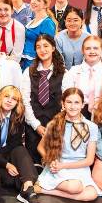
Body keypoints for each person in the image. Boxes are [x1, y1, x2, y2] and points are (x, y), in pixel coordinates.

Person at [35, 88, 102, 201]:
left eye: (77, 102)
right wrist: (51, 162)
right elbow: (40, 147)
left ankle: (43, 189)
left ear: (82, 105)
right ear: (63, 104)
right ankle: (48, 181)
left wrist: (63, 166)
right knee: (75, 187)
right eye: (69, 102)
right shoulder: (54, 124)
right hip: (58, 167)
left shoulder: (92, 127)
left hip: (80, 167)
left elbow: (89, 160)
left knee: (92, 194)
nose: (72, 106)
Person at [0, 86, 42, 203]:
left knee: (20, 149)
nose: (9, 100)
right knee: (12, 180)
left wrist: (10, 161)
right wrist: (6, 164)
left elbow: (15, 144)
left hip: (8, 153)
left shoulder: (18, 116)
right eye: (6, 96)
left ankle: (28, 189)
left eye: (14, 99)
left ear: (17, 103)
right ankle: (30, 180)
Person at [21, 34, 66, 164]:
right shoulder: (28, 72)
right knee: (34, 164)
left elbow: (66, 103)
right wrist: (36, 126)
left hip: (56, 125)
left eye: (46, 46)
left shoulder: (64, 72)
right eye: (38, 47)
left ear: (53, 48)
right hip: (33, 125)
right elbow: (25, 101)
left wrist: (54, 125)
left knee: (54, 162)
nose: (42, 50)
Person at [62, 35, 102, 119]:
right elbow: (67, 95)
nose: (92, 51)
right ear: (82, 51)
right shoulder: (73, 71)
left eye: (96, 48)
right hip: (77, 113)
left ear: (101, 49)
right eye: (88, 48)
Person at [21, 0, 57, 70]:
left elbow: (47, 48)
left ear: (45, 5)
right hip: (25, 61)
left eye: (38, 0)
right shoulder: (32, 21)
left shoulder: (47, 23)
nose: (33, 2)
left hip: (36, 64)